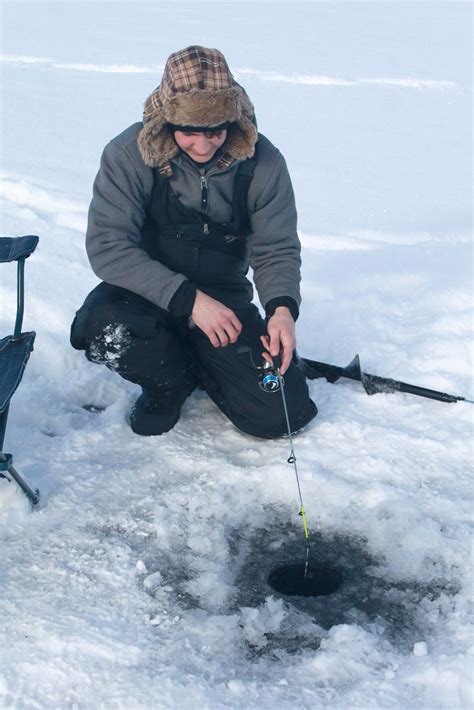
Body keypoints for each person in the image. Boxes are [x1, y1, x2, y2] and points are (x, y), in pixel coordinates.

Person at [71, 45, 317, 438]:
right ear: (167, 122)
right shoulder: (128, 154)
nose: (203, 147)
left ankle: (209, 362)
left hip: (224, 302)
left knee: (280, 416)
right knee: (100, 327)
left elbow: (277, 248)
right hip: (145, 295)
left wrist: (282, 308)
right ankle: (168, 384)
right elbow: (108, 246)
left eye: (215, 132)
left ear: (232, 122)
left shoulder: (264, 163)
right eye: (189, 132)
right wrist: (189, 301)